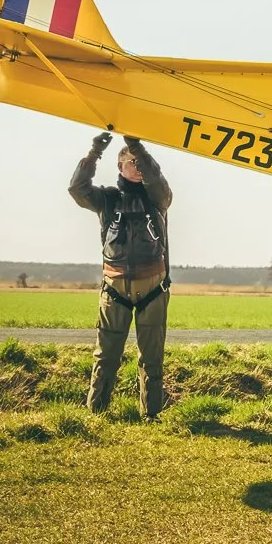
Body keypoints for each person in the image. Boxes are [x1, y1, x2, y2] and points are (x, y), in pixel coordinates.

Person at [69, 132, 173, 417]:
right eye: (130, 163)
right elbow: (77, 189)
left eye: (140, 163)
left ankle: (152, 415)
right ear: (119, 167)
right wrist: (93, 153)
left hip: (153, 288)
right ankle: (96, 414)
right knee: (106, 356)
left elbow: (157, 180)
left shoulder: (158, 199)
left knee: (151, 358)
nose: (136, 168)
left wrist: (139, 147)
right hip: (114, 289)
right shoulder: (107, 200)